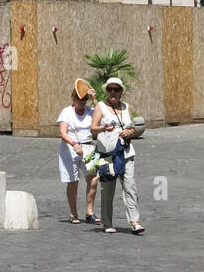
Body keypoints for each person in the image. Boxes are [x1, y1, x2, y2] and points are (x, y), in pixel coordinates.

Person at [91, 77, 145, 235]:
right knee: (107, 190)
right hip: (107, 156)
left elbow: (133, 127)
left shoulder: (126, 106)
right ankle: (107, 222)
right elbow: (93, 129)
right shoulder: (100, 107)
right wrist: (102, 128)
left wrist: (130, 131)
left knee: (130, 187)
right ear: (106, 91)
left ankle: (134, 221)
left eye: (116, 89)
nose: (113, 92)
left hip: (126, 153)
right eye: (110, 89)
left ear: (121, 92)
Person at [57, 84, 99, 224]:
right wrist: (74, 144)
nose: (81, 102)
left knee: (93, 178)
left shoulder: (90, 110)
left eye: (84, 99)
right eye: (78, 99)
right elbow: (62, 132)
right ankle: (73, 213)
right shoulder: (67, 112)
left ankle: (89, 211)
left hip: (88, 147)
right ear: (73, 98)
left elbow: (102, 116)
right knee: (73, 181)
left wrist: (94, 99)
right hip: (70, 148)